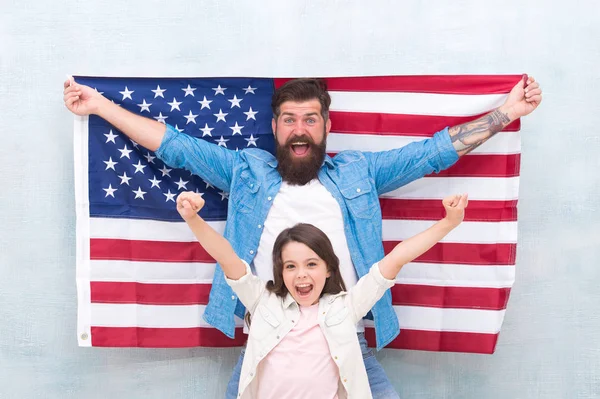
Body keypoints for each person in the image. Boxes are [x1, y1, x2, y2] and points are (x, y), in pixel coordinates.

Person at [63, 76, 542, 398]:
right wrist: (100, 106)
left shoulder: (360, 171)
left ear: (327, 126)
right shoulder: (246, 170)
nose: (300, 129)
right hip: (270, 337)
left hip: (347, 335)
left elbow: (432, 153)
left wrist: (506, 111)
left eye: (310, 119)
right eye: (289, 119)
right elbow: (174, 147)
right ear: (274, 128)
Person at [175, 190, 468, 399]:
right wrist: (193, 219)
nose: (301, 274)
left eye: (311, 264)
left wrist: (448, 223)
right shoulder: (263, 301)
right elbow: (227, 257)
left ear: (328, 268)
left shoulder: (346, 307)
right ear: (281, 272)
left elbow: (395, 260)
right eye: (291, 266)